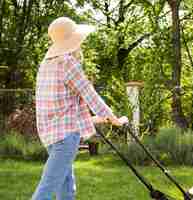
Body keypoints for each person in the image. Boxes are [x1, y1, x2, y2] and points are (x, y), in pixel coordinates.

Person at [31, 17, 128, 200]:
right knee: (45, 189)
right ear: (74, 41)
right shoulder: (68, 63)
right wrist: (114, 119)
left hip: (49, 137)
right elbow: (90, 95)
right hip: (65, 138)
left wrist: (100, 119)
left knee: (67, 189)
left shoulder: (45, 66)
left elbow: (61, 108)